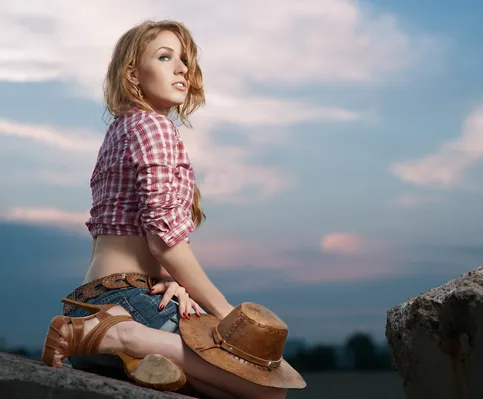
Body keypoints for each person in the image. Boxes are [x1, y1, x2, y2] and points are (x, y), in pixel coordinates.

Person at [41, 20, 304, 399]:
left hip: (95, 300)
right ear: (133, 74)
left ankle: (126, 346)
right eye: (165, 57)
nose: (182, 68)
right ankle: (125, 338)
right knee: (267, 391)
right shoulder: (154, 128)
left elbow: (131, 233)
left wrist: (169, 279)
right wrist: (225, 311)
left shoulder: (121, 128)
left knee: (209, 387)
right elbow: (163, 240)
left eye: (184, 59)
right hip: (124, 306)